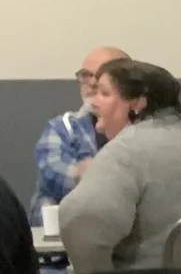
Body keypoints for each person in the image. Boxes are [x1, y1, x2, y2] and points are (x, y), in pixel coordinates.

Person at [59, 60, 181, 274]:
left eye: (104, 93)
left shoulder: (126, 150)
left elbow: (80, 220)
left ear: (136, 104)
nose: (94, 102)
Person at [30, 46, 126, 225]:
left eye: (102, 75)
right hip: (63, 236)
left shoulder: (142, 130)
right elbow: (55, 178)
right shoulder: (62, 128)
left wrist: (87, 172)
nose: (92, 82)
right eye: (85, 75)